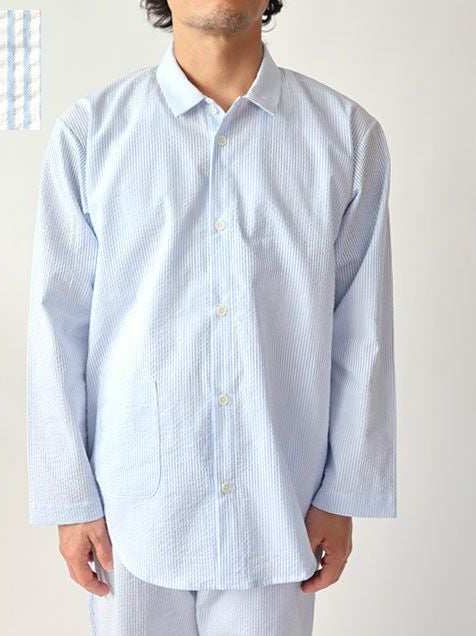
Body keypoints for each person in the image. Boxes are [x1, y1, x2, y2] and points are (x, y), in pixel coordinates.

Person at [26, 1, 397, 633]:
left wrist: (343, 492)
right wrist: (70, 495)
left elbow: (362, 329)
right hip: (130, 513)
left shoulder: (347, 137)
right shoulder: (90, 135)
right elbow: (57, 326)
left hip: (277, 503)